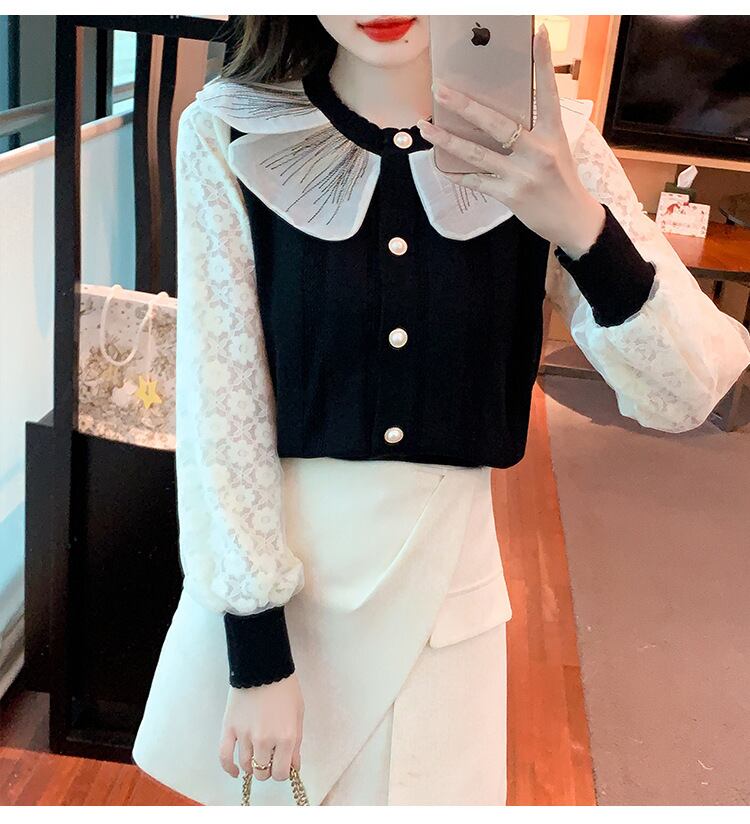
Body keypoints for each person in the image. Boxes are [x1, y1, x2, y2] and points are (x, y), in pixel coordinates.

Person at [132, 15, 750, 805]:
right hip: (285, 592)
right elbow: (221, 402)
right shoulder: (229, 131)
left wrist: (575, 219)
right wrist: (255, 654)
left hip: (445, 597)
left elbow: (687, 391)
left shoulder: (552, 142)